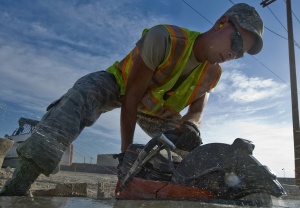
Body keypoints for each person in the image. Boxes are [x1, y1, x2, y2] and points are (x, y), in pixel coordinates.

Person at [0, 3, 264, 196]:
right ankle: (20, 181)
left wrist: (192, 125)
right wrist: (127, 157)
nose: (234, 55)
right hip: (121, 86)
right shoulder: (165, 39)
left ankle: (186, 193)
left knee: (192, 152)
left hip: (159, 111)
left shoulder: (213, 72)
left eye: (241, 54)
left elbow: (197, 109)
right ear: (221, 23)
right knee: (83, 93)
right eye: (237, 44)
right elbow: (131, 98)